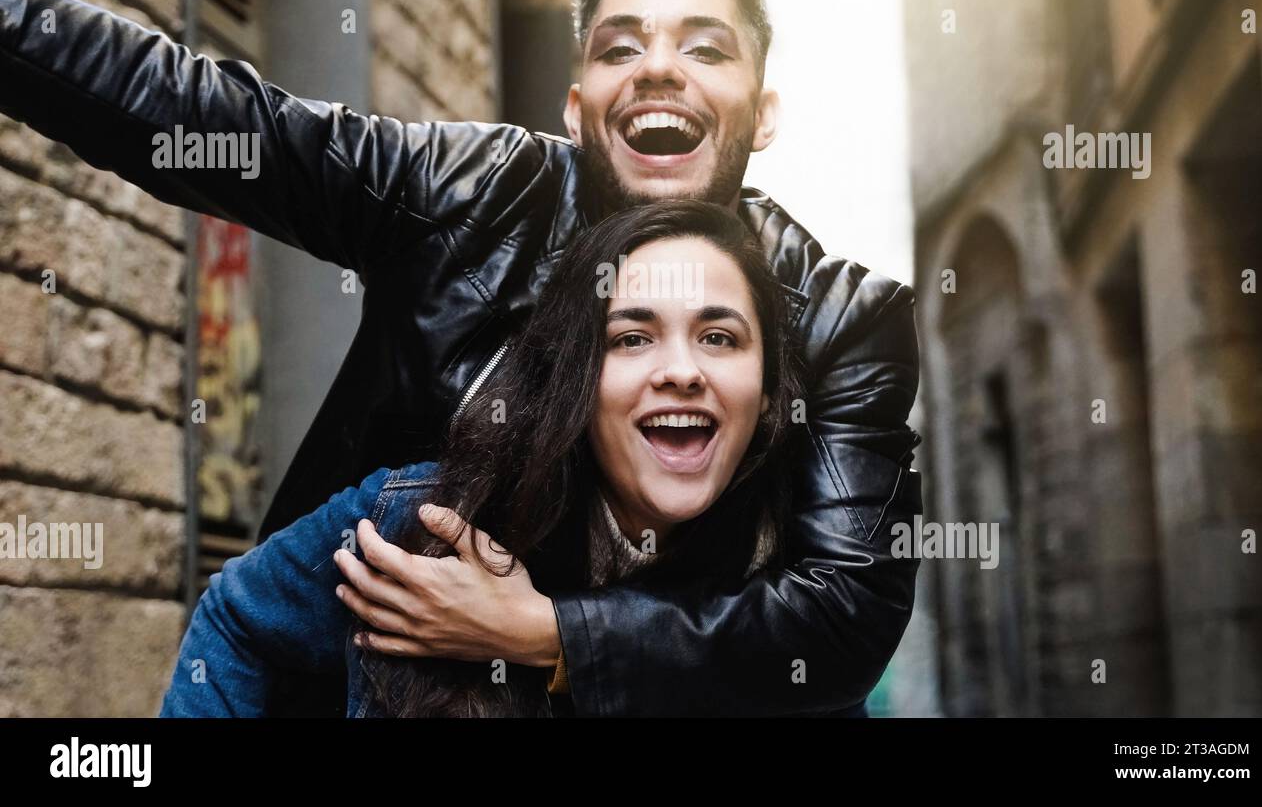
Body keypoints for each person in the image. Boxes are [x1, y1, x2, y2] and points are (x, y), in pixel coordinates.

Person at [0, 0, 922, 716]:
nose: (658, 69)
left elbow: (841, 617)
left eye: (705, 48)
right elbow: (217, 120)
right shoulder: (466, 193)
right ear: (575, 109)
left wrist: (552, 635)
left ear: (763, 113)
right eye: (620, 47)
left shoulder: (840, 319)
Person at [161, 201, 803, 717]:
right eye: (633, 338)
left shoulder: (808, 602)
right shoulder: (424, 521)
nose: (682, 371)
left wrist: (550, 638)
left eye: (718, 337)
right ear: (576, 381)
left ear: (770, 392)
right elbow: (237, 617)